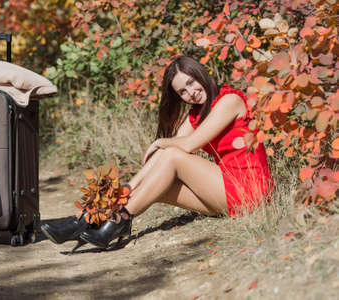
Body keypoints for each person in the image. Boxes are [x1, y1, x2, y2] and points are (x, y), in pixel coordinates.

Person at [41, 56, 274, 251]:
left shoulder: (229, 100)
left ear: (201, 74)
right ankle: (89, 218)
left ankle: (116, 222)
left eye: (192, 83)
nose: (191, 93)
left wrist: (159, 142)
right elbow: (169, 152)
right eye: (183, 91)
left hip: (249, 189)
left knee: (172, 155)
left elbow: (188, 145)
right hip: (226, 193)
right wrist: (128, 187)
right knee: (157, 186)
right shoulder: (196, 113)